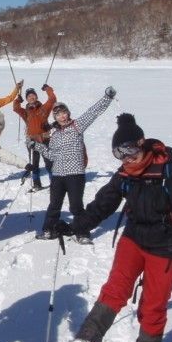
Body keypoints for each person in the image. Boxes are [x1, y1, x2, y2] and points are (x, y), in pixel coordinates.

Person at [58, 113, 172, 342]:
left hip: (165, 246)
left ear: (142, 143)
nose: (125, 158)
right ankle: (87, 341)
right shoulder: (125, 174)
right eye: (118, 153)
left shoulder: (171, 170)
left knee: (154, 303)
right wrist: (77, 225)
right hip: (134, 239)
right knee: (115, 290)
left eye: (129, 150)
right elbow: (103, 205)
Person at [31, 87, 116, 243]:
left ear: (68, 113)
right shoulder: (53, 133)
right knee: (54, 205)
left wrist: (107, 98)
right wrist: (37, 146)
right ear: (55, 117)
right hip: (57, 175)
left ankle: (82, 232)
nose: (61, 116)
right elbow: (52, 155)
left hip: (75, 174)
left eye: (63, 112)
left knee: (76, 206)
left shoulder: (77, 126)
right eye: (57, 114)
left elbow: (93, 112)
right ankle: (49, 230)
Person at [13, 84, 57, 190]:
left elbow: (52, 99)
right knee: (34, 163)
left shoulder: (43, 108)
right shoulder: (26, 112)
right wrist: (17, 100)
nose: (31, 97)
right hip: (32, 141)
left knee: (49, 162)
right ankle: (37, 184)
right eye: (29, 96)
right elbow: (16, 108)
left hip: (45, 139)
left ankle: (54, 184)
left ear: (36, 97)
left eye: (33, 95)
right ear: (27, 99)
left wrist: (47, 89)